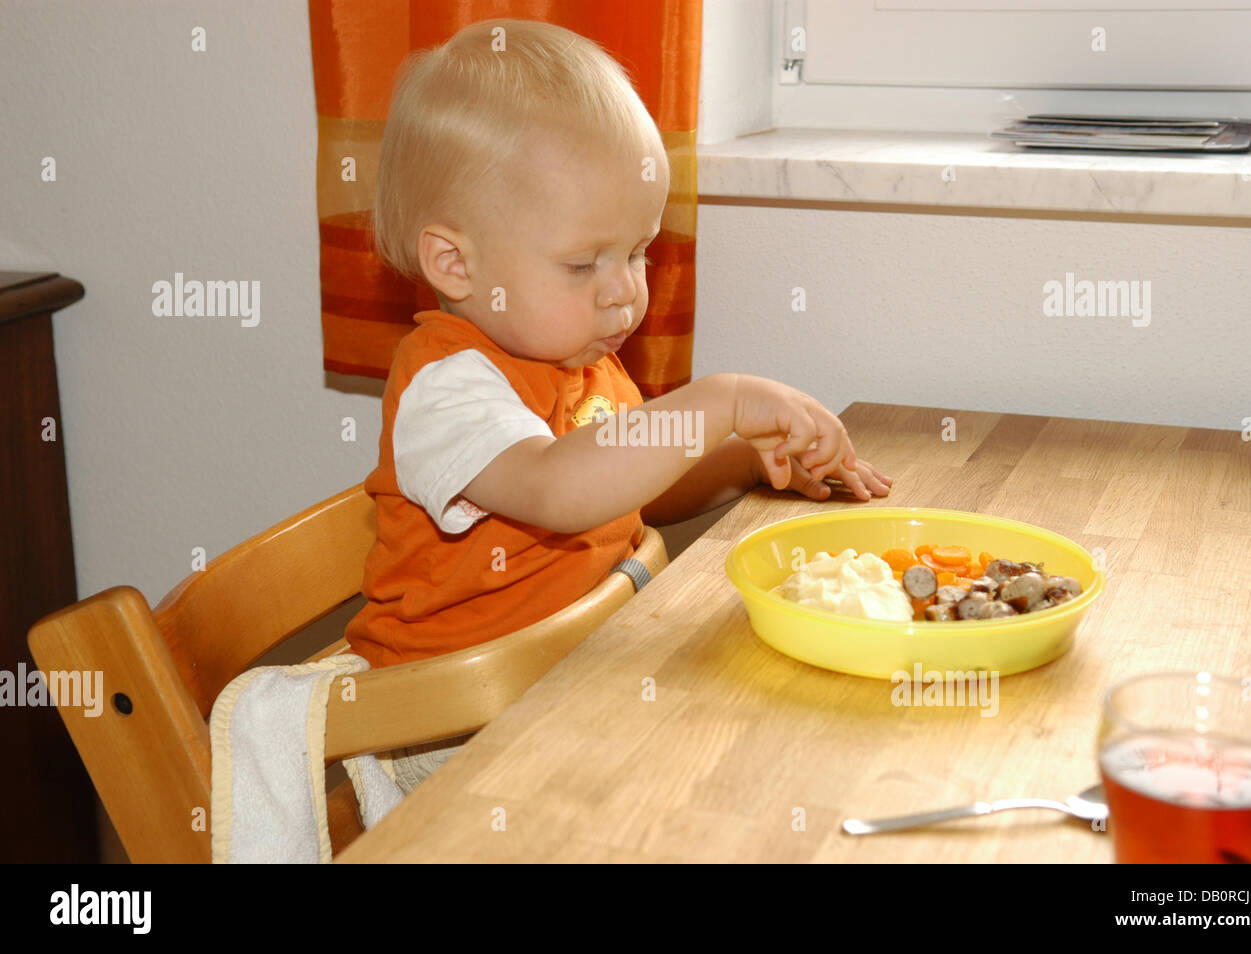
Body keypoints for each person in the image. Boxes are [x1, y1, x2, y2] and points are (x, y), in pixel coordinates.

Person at [345, 19, 893, 771]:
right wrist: (720, 400)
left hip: (571, 668)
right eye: (583, 264)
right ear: (454, 262)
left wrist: (742, 462)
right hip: (450, 726)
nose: (624, 294)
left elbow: (627, 494)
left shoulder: (578, 356)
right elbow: (556, 487)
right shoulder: (446, 388)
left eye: (638, 252)